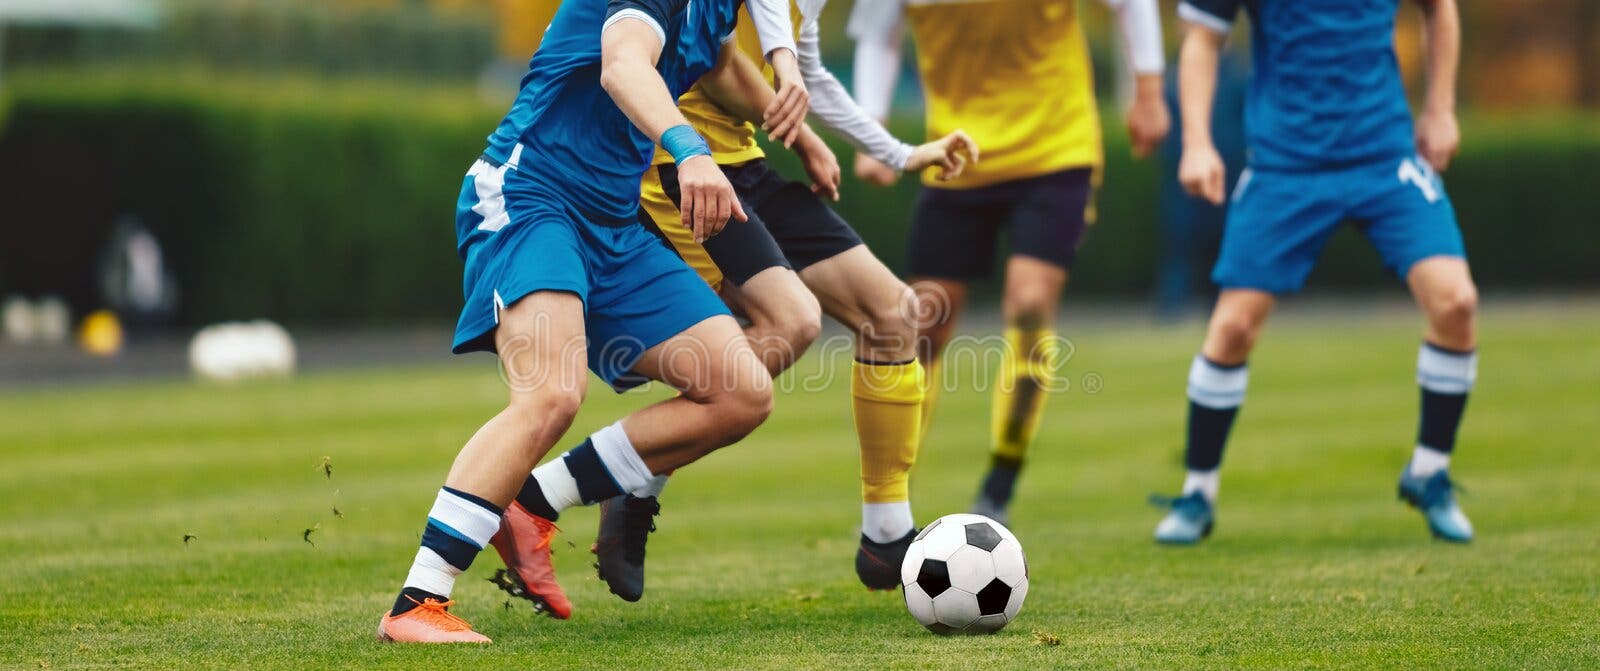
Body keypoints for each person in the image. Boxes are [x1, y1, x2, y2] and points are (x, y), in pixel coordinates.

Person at [490, 0, 978, 607]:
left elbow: (783, 69)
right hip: (674, 169)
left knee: (895, 315)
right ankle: (604, 478)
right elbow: (734, 59)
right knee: (784, 327)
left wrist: (860, 144)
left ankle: (887, 535)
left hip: (743, 163)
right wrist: (792, 101)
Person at [376, 0, 810, 642]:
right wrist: (690, 149)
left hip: (611, 227)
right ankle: (416, 603)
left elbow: (718, 66)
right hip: (532, 199)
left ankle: (531, 504)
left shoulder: (717, 7)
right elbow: (622, 65)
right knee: (550, 394)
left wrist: (802, 124)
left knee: (741, 391)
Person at [1152, 0, 1477, 545]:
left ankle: (1429, 472)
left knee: (1456, 302)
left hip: (1384, 158)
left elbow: (1440, 10)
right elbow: (1203, 41)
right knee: (1232, 329)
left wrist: (1440, 109)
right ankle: (1197, 493)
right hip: (1286, 166)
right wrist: (1198, 143)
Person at [850, 0, 1169, 525]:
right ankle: (892, 495)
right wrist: (873, 129)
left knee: (1029, 302)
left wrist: (1149, 94)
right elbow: (880, 35)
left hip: (1054, 147)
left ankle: (1001, 478)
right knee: (923, 320)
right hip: (956, 152)